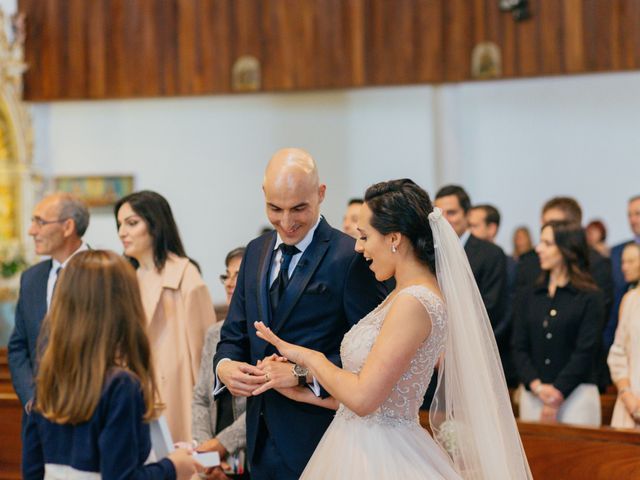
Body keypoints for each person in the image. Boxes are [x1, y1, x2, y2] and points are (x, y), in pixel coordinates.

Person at [252, 179, 532, 479]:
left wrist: (310, 358)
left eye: (364, 236)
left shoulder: (415, 302)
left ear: (394, 238)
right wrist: (300, 391)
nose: (358, 248)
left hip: (384, 458)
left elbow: (363, 399)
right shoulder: (400, 295)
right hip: (357, 443)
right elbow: (374, 396)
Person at [214, 148, 387, 480]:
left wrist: (300, 372)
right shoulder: (255, 251)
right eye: (275, 209)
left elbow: (371, 356)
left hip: (321, 437)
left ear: (321, 194)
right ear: (264, 195)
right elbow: (233, 336)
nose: (287, 221)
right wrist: (225, 367)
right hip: (260, 439)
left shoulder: (349, 258)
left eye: (299, 208)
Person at [22, 250, 202, 479]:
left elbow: (32, 473)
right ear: (123, 307)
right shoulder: (119, 386)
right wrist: (173, 466)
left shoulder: (48, 383)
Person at [115, 190, 216, 442]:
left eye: (132, 223)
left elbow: (206, 357)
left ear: (155, 224)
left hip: (176, 395)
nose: (122, 233)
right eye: (120, 225)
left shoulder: (185, 276)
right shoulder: (127, 279)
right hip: (135, 392)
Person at [513, 221, 604, 426]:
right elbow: (519, 346)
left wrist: (558, 392)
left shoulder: (589, 296)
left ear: (567, 249)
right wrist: (537, 386)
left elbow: (586, 350)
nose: (538, 249)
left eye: (547, 243)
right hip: (533, 395)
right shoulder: (530, 294)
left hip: (577, 396)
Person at [9, 193, 89, 411]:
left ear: (68, 226)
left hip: (86, 411)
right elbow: (18, 346)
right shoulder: (31, 278)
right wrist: (31, 398)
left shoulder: (103, 273)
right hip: (37, 416)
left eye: (40, 222)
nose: (31, 231)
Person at [434, 186, 510, 385]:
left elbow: (490, 307)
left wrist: (453, 348)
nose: (445, 219)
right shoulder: (429, 251)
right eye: (439, 213)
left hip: (472, 354)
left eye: (452, 212)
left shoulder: (490, 253)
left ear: (467, 215)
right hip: (432, 357)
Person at [192, 247, 248, 479]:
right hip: (214, 461)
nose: (229, 283)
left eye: (239, 275)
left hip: (251, 455)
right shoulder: (215, 333)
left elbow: (265, 407)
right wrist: (208, 457)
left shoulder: (269, 336)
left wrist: (223, 444)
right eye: (227, 275)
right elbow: (201, 398)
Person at [608, 243, 640, 429]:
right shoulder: (630, 300)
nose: (625, 267)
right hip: (630, 402)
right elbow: (618, 352)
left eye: (631, 261)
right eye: (623, 262)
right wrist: (626, 393)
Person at [606, 195, 640, 349]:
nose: (632, 220)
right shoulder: (616, 253)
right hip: (620, 338)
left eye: (637, 214)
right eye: (629, 215)